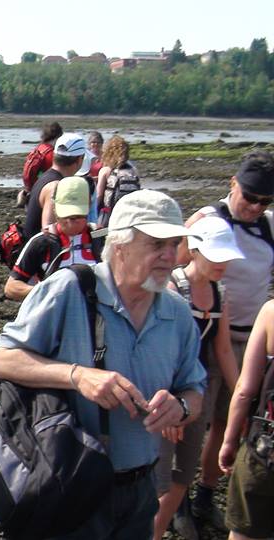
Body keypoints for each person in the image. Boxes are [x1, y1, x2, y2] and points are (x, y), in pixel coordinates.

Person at [0, 190, 206, 539]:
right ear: (120, 245)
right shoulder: (69, 289)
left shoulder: (178, 312)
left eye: (175, 243)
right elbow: (3, 359)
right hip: (72, 482)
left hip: (141, 490)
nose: (170, 256)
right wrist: (78, 376)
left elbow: (195, 389)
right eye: (157, 244)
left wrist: (180, 407)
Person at [182, 151, 274, 530]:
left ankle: (206, 494)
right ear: (233, 184)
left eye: (264, 201)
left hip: (251, 341)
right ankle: (178, 501)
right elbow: (175, 272)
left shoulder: (269, 228)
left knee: (226, 423)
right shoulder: (206, 221)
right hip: (204, 338)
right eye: (249, 197)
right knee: (192, 422)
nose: (254, 207)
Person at [152, 216, 244, 540]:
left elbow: (224, 351)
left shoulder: (220, 293)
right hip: (167, 394)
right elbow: (159, 349)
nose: (223, 263)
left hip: (198, 391)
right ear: (195, 250)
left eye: (226, 256)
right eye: (216, 256)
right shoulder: (172, 287)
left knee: (185, 469)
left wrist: (243, 397)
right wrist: (173, 405)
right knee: (158, 475)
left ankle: (165, 526)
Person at [219, 299, 274, 540]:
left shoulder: (270, 311)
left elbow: (244, 389)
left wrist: (229, 441)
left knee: (244, 532)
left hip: (264, 452)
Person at [4, 176, 101, 301]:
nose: (71, 222)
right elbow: (11, 287)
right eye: (66, 214)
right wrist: (48, 292)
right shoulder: (41, 242)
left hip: (96, 318)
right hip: (56, 315)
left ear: (89, 205)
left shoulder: (103, 239)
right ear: (54, 208)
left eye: (78, 215)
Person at [23, 133, 88, 240]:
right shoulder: (55, 187)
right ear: (80, 159)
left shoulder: (45, 178)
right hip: (41, 253)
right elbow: (49, 231)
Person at [96, 136, 140, 228]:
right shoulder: (133, 170)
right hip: (130, 214)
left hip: (110, 214)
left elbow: (99, 196)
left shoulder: (106, 171)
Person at [19, 122, 64, 207]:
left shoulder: (38, 149)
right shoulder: (51, 154)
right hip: (43, 194)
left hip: (31, 192)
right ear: (58, 136)